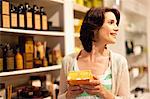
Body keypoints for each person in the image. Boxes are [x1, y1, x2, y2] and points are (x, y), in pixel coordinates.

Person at [58, 7, 130, 99]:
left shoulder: (119, 62)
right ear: (94, 27)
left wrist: (103, 92)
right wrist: (68, 95)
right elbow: (60, 96)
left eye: (116, 24)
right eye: (111, 23)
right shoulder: (68, 61)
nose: (117, 29)